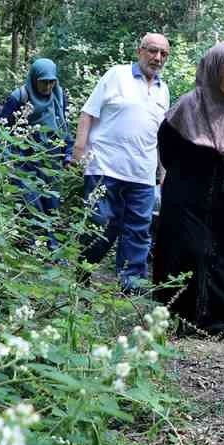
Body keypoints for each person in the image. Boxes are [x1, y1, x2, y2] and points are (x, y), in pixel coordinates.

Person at [153, 42, 224, 338]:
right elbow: (167, 149)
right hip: (189, 199)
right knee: (185, 255)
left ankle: (216, 326)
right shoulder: (187, 108)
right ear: (214, 70)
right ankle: (179, 320)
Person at [73, 33, 171, 290]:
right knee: (101, 226)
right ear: (139, 51)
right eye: (152, 51)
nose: (157, 58)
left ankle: (131, 286)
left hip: (142, 174)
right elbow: (88, 113)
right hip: (104, 168)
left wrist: (163, 171)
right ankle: (83, 274)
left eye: (163, 54)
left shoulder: (164, 90)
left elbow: (160, 136)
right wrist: (79, 150)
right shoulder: (116, 75)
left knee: (139, 232)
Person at [0, 58, 72, 243]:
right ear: (34, 78)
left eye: (52, 81)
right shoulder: (19, 97)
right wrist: (7, 158)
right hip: (25, 160)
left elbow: (63, 126)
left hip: (52, 161)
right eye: (44, 81)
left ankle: (38, 245)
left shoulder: (59, 97)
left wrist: (68, 153)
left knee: (51, 204)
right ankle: (46, 247)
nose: (48, 86)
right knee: (31, 202)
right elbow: (2, 129)